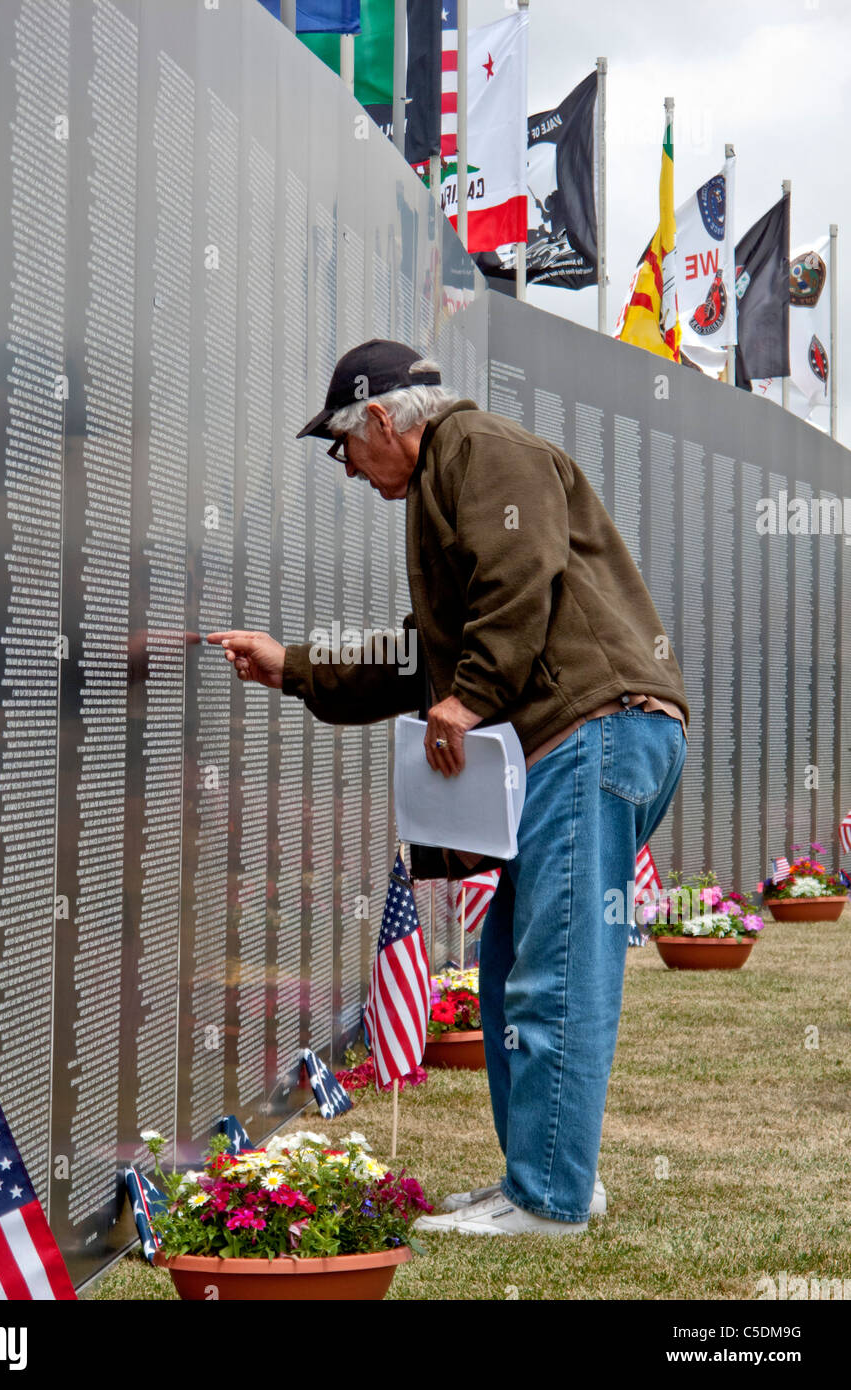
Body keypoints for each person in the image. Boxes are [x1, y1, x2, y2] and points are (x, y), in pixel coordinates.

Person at [208, 338, 688, 1236]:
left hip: (593, 736)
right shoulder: (446, 484)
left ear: (383, 419)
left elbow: (520, 573)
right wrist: (291, 669)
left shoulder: (481, 449)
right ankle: (541, 1180)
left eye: (342, 446)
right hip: (581, 742)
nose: (346, 470)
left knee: (556, 976)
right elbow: (417, 658)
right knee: (511, 971)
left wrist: (470, 697)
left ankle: (548, 1199)